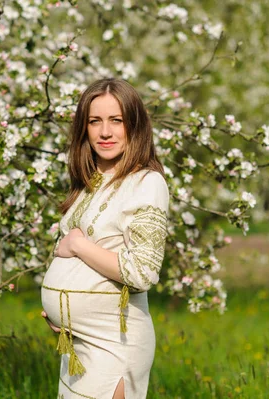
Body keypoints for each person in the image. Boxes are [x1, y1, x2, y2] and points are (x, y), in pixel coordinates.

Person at [41, 78, 170, 399]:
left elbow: (142, 273)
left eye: (117, 121)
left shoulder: (147, 182)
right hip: (78, 345)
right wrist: (60, 311)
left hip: (115, 345)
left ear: (135, 126)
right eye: (95, 121)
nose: (105, 132)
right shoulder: (90, 182)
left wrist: (78, 245)